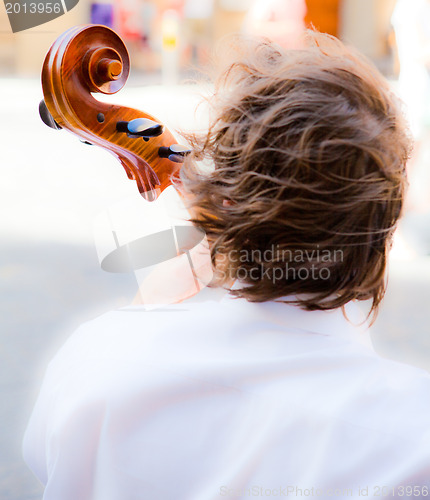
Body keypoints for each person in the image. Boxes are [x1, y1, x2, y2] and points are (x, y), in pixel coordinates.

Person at [23, 31, 430, 499]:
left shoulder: (92, 364)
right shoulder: (415, 443)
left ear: (224, 201)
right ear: (383, 227)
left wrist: (144, 309)